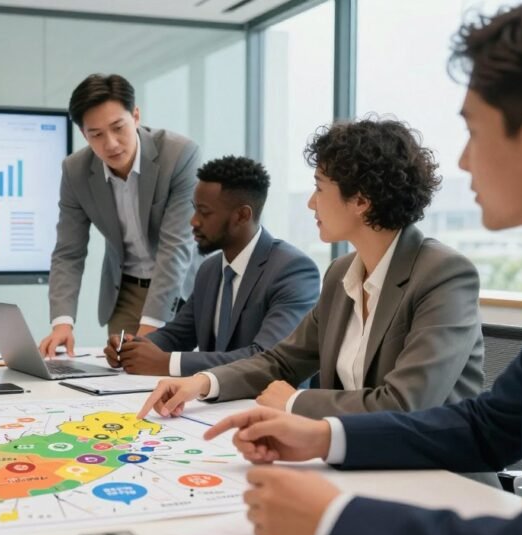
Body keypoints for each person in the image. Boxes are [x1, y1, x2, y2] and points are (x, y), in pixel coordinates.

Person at [203, 1, 522, 535]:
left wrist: (336, 522)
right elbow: (486, 427)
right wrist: (325, 435)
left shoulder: (468, 272)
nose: (465, 161)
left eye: (473, 131)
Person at [139, 118, 484, 420]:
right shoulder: (341, 274)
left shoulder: (444, 275)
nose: (310, 202)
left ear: (361, 201)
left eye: (319, 188)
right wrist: (202, 382)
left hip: (436, 477)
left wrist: (296, 402)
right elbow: (282, 361)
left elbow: (407, 404)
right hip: (356, 462)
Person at [103, 155, 319, 376]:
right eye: (194, 209)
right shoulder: (210, 269)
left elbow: (266, 357)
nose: (193, 221)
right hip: (210, 402)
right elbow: (178, 335)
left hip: (266, 403)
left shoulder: (293, 270)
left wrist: (169, 364)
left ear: (242, 216)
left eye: (204, 212)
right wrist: (131, 347)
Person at [38, 73, 201, 357]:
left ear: (135, 116)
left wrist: (150, 328)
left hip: (184, 285)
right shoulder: (75, 171)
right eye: (96, 134)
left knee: (169, 371)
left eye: (118, 128)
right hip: (126, 289)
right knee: (123, 374)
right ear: (83, 134)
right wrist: (62, 322)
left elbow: (176, 246)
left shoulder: (178, 154)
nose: (110, 143)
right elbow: (68, 252)